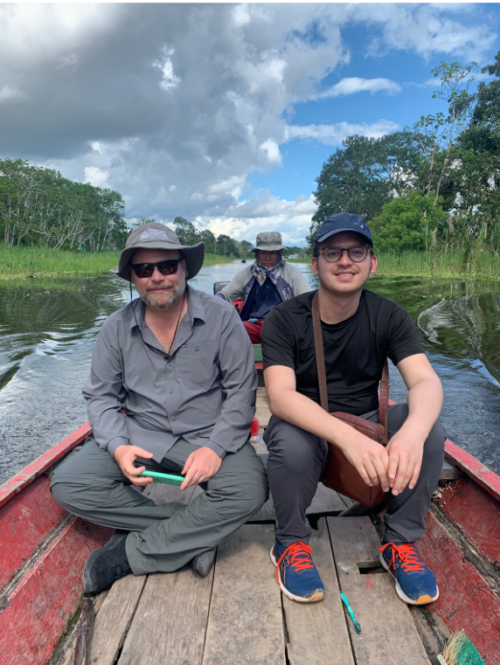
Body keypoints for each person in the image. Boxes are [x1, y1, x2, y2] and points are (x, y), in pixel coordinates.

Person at [50, 222, 268, 595]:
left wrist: (215, 449)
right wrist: (118, 447)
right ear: (133, 277)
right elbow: (101, 398)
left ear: (184, 268)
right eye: (144, 269)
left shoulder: (221, 317)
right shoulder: (115, 329)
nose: (157, 277)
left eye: (167, 266)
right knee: (69, 484)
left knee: (250, 489)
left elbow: (241, 390)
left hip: (206, 436)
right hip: (141, 435)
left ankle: (132, 553)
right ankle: (192, 534)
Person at [261, 212, 445, 605]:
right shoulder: (283, 319)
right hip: (307, 427)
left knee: (429, 429)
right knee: (291, 442)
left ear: (372, 262)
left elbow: (426, 382)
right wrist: (347, 438)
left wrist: (411, 435)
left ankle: (399, 542)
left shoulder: (389, 315)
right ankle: (290, 543)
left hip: (369, 425)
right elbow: (279, 396)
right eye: (332, 252)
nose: (345, 261)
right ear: (315, 265)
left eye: (356, 251)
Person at [216, 232, 311, 343]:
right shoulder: (246, 273)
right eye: (263, 253)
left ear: (279, 253)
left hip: (284, 324)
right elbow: (225, 295)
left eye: (272, 253)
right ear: (257, 254)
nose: (267, 257)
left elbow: (308, 298)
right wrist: (212, 302)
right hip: (254, 325)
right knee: (226, 331)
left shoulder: (291, 272)